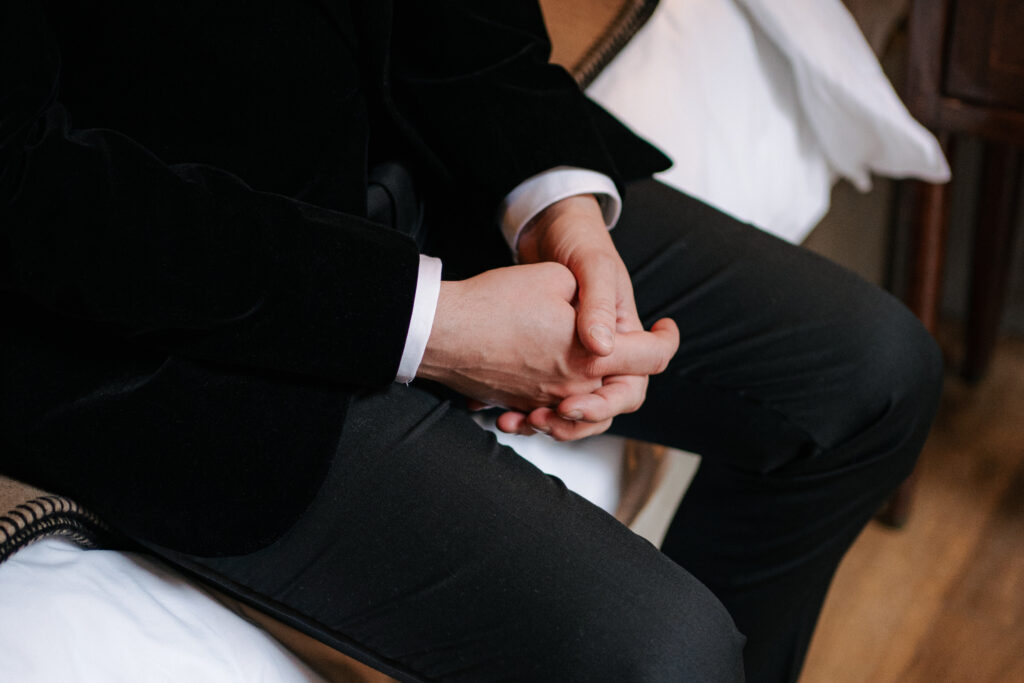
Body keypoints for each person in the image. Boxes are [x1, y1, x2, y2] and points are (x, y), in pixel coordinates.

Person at [0, 1, 943, 681]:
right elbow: (28, 193)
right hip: (166, 310)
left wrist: (558, 210)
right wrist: (433, 326)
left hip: (404, 144)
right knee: (667, 653)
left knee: (874, 374)